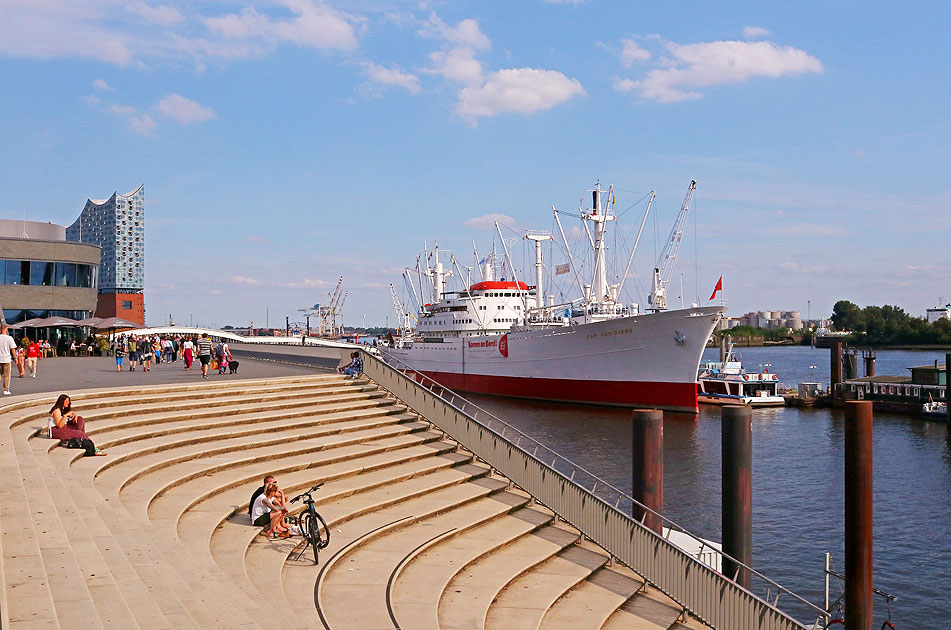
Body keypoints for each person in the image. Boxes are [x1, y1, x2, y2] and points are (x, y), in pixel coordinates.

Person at [0, 324, 16, 395]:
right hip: (6, 359)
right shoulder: (9, 338)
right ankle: (6, 389)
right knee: (7, 375)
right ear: (6, 329)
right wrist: (15, 358)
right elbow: (12, 349)